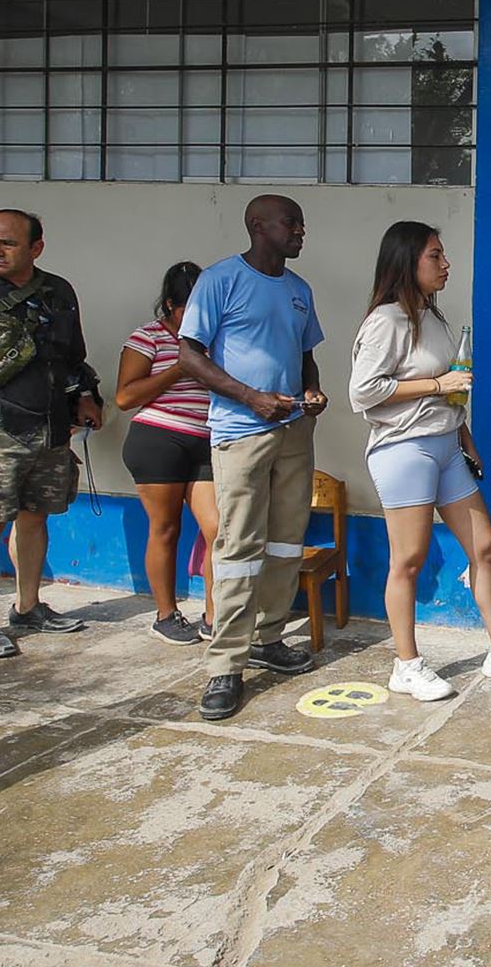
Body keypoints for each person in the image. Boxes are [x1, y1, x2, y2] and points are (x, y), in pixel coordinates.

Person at [351, 221, 491, 703]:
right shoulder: (386, 321)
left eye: (443, 255)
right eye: (435, 256)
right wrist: (438, 387)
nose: (446, 265)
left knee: (485, 546)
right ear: (407, 262)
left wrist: (465, 437)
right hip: (405, 449)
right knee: (410, 559)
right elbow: (364, 392)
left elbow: (452, 382)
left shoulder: (433, 317)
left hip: (445, 444)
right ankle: (407, 665)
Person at [178, 195, 326, 721]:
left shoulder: (298, 290)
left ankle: (268, 638)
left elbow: (305, 356)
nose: (301, 230)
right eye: (292, 221)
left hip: (293, 432)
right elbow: (189, 355)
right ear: (257, 226)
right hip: (241, 431)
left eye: (301, 221)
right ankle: (226, 664)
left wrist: (312, 393)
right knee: (240, 545)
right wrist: (250, 396)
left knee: (286, 541)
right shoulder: (220, 281)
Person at [0, 209, 102, 658]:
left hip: (49, 423)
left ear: (36, 248)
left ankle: (28, 605)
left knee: (35, 517)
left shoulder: (57, 292)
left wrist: (87, 396)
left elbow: (73, 356)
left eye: (6, 244)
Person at [116, 261, 219, 645]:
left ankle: (213, 615)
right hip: (159, 438)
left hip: (207, 439)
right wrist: (179, 368)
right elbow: (126, 396)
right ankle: (165, 615)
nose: (196, 317)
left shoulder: (215, 339)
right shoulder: (149, 337)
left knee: (217, 530)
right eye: (186, 309)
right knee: (166, 528)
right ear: (170, 305)